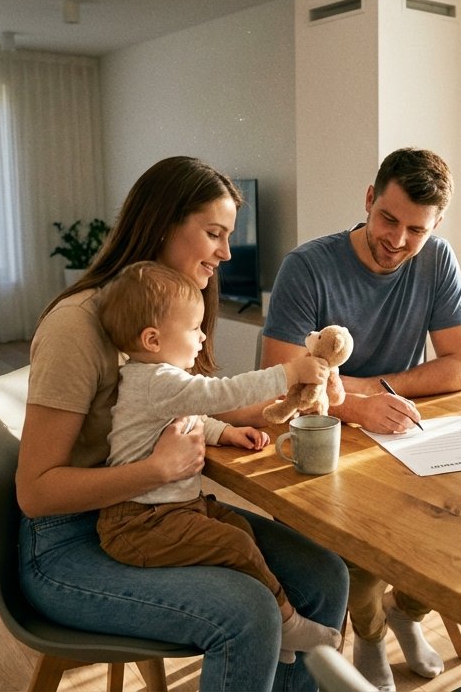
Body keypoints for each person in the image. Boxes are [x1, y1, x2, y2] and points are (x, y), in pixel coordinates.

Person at [16, 156, 350, 692]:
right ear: (162, 224)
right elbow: (35, 493)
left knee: (325, 575)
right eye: (214, 234)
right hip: (69, 542)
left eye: (229, 236)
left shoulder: (169, 312)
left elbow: (203, 404)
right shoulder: (76, 327)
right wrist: (156, 470)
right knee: (248, 614)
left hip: (165, 509)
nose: (225, 252)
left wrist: (298, 395)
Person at [257, 147, 461, 691]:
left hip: (396, 428)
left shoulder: (438, 259)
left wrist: (362, 389)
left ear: (437, 225)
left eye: (417, 230)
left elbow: (460, 369)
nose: (398, 242)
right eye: (388, 219)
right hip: (322, 436)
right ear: (369, 198)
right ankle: (373, 635)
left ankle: (407, 613)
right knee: (352, 539)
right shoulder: (307, 266)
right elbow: (276, 377)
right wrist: (353, 409)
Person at [94, 260, 341, 664]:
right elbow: (219, 394)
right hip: (139, 522)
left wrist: (224, 434)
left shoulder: (158, 383)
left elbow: (190, 417)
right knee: (236, 543)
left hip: (168, 511)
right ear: (153, 339)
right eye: (194, 328)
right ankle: (288, 621)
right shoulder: (156, 380)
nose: (203, 335)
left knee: (238, 526)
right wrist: (287, 372)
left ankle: (277, 632)